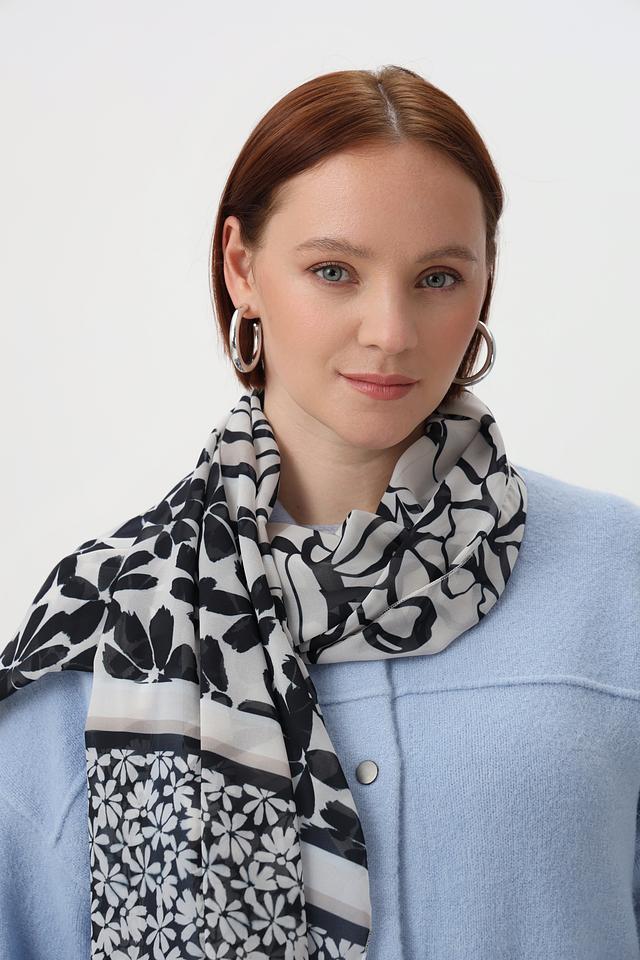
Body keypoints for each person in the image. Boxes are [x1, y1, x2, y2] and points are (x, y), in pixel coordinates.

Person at [1, 65, 639, 960]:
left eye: (438, 277)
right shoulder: (106, 622)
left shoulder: (616, 576)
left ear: (486, 280)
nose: (391, 330)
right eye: (334, 271)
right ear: (242, 267)